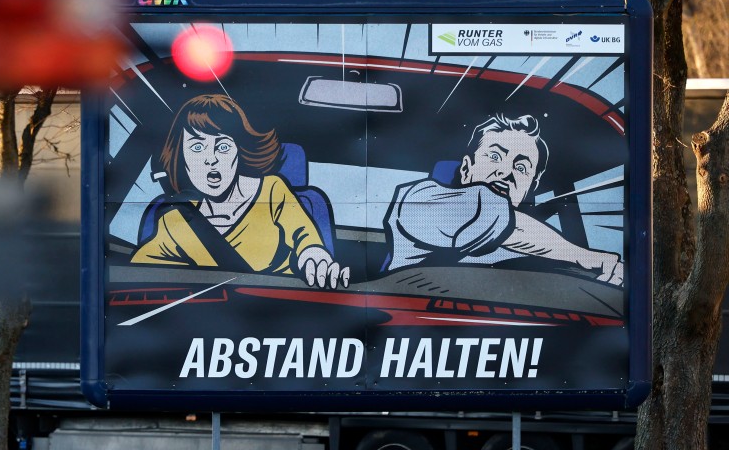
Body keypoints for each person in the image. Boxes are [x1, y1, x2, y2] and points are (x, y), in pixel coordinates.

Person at [130, 93, 349, 289]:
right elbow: (137, 275)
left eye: (222, 146)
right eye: (197, 147)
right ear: (182, 157)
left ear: (239, 151)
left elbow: (306, 239)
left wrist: (316, 258)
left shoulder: (272, 191)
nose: (211, 159)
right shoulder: (174, 220)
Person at [381, 113, 624, 285]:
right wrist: (584, 256)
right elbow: (491, 212)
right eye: (495, 156)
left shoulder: (542, 251)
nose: (506, 173)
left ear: (530, 187)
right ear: (466, 168)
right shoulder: (417, 202)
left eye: (521, 168)